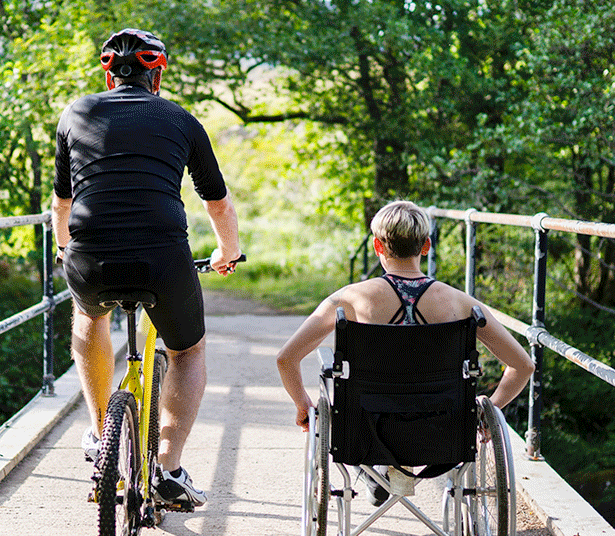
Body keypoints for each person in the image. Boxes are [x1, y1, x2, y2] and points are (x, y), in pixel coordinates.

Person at [52, 28, 241, 508]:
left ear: (109, 72)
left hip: (91, 255)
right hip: (162, 256)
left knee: (89, 316)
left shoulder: (76, 114)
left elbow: (62, 203)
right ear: (156, 74)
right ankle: (168, 467)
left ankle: (100, 440)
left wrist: (65, 251)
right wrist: (227, 253)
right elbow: (216, 203)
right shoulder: (180, 119)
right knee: (188, 351)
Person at [276, 200, 534, 501]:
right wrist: (489, 411)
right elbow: (523, 366)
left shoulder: (349, 300)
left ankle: (378, 472)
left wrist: (303, 405)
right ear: (425, 246)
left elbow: (286, 358)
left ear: (377, 246)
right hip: (443, 434)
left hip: (365, 432)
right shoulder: (462, 304)